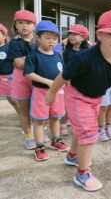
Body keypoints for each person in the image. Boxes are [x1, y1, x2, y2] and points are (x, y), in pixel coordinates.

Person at [45, 10, 111, 191]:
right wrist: (52, 92)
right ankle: (82, 174)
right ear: (99, 35)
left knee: (81, 130)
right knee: (89, 133)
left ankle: (72, 156)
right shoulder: (84, 58)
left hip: (96, 98)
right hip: (77, 96)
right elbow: (64, 75)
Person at [24, 20, 69, 161]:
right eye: (47, 38)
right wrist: (48, 82)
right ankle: (40, 146)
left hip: (58, 93)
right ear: (38, 38)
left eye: (55, 38)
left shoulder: (58, 56)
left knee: (56, 117)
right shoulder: (33, 55)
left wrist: (65, 82)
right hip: (40, 92)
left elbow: (63, 73)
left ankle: (56, 140)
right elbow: (28, 73)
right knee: (39, 120)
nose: (52, 41)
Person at [7, 10, 36, 149]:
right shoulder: (14, 43)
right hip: (21, 79)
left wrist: (27, 59)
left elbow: (54, 54)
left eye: (28, 23)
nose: (24, 26)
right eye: (20, 23)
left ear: (34, 26)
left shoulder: (39, 40)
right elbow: (18, 62)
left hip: (37, 78)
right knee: (24, 109)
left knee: (39, 108)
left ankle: (38, 131)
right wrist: (37, 60)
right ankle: (28, 135)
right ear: (15, 25)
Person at [60, 24, 90, 136]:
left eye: (75, 34)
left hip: (83, 83)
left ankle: (79, 124)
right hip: (69, 82)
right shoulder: (67, 52)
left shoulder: (88, 51)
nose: (71, 36)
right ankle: (63, 125)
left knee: (81, 105)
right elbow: (65, 67)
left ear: (83, 37)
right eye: (70, 34)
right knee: (66, 105)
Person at [0, 23, 19, 113]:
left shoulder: (9, 47)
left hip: (7, 77)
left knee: (13, 100)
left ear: (4, 36)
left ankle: (23, 116)